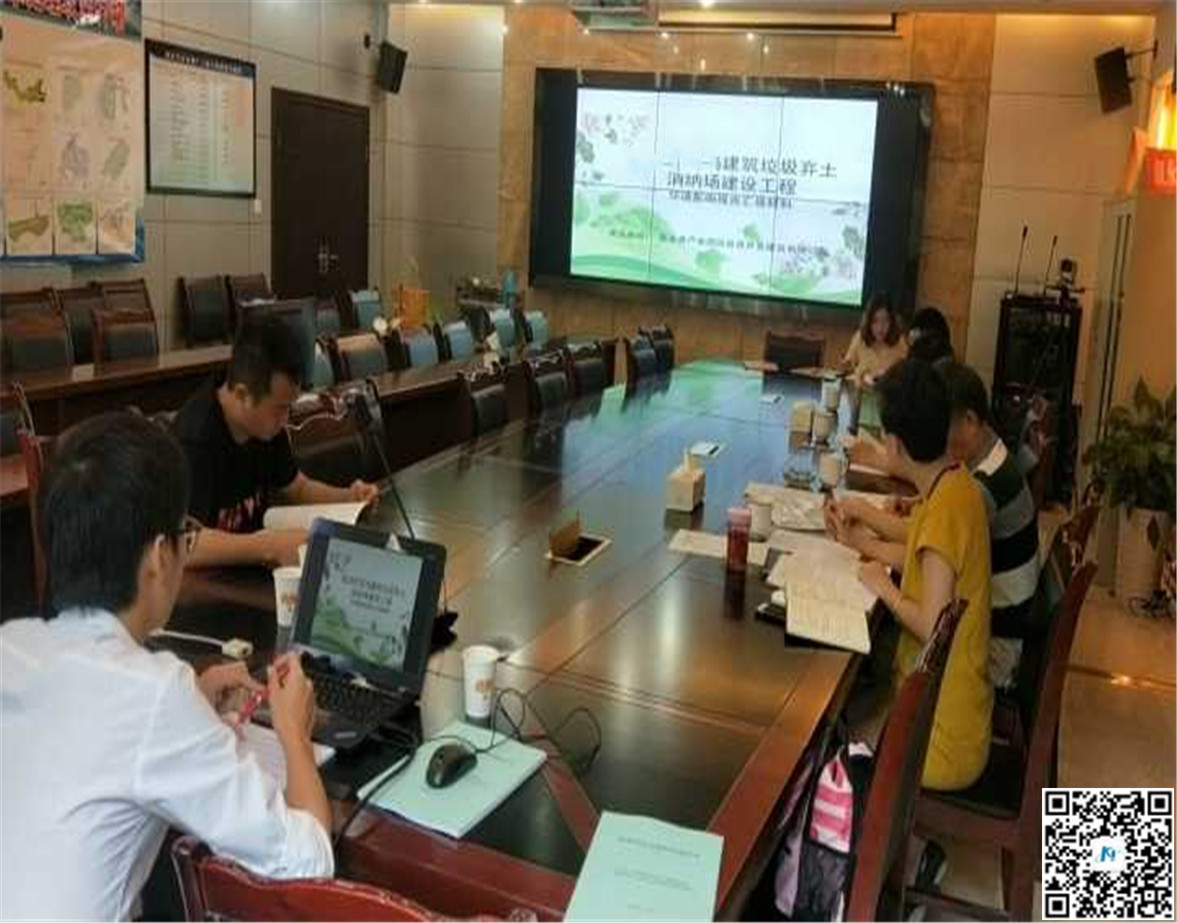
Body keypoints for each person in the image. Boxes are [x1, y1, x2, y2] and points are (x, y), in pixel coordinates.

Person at [0, 413, 333, 920]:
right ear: (159, 555)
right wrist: (294, 735)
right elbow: (308, 863)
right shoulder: (155, 694)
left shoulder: (11, 645)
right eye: (186, 533)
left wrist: (192, 698)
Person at [825, 359, 992, 791]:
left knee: (831, 731)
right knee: (850, 705)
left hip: (937, 736)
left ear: (895, 444)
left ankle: (868, 824)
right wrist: (860, 543)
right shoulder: (955, 483)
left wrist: (885, 588)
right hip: (949, 708)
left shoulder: (945, 508)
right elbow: (920, 561)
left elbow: (934, 625)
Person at [172, 315, 378, 568]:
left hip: (248, 572)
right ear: (243, 395)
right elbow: (186, 543)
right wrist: (268, 546)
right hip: (205, 583)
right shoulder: (194, 441)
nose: (286, 419)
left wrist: (349, 498)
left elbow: (297, 488)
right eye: (281, 408)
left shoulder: (264, 426)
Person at [839, 293, 907, 383]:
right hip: (862, 390)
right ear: (869, 321)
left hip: (888, 391)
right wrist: (847, 368)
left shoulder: (899, 341)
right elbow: (848, 367)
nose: (880, 327)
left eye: (885, 320)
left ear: (892, 322)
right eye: (875, 321)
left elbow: (906, 378)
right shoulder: (860, 337)